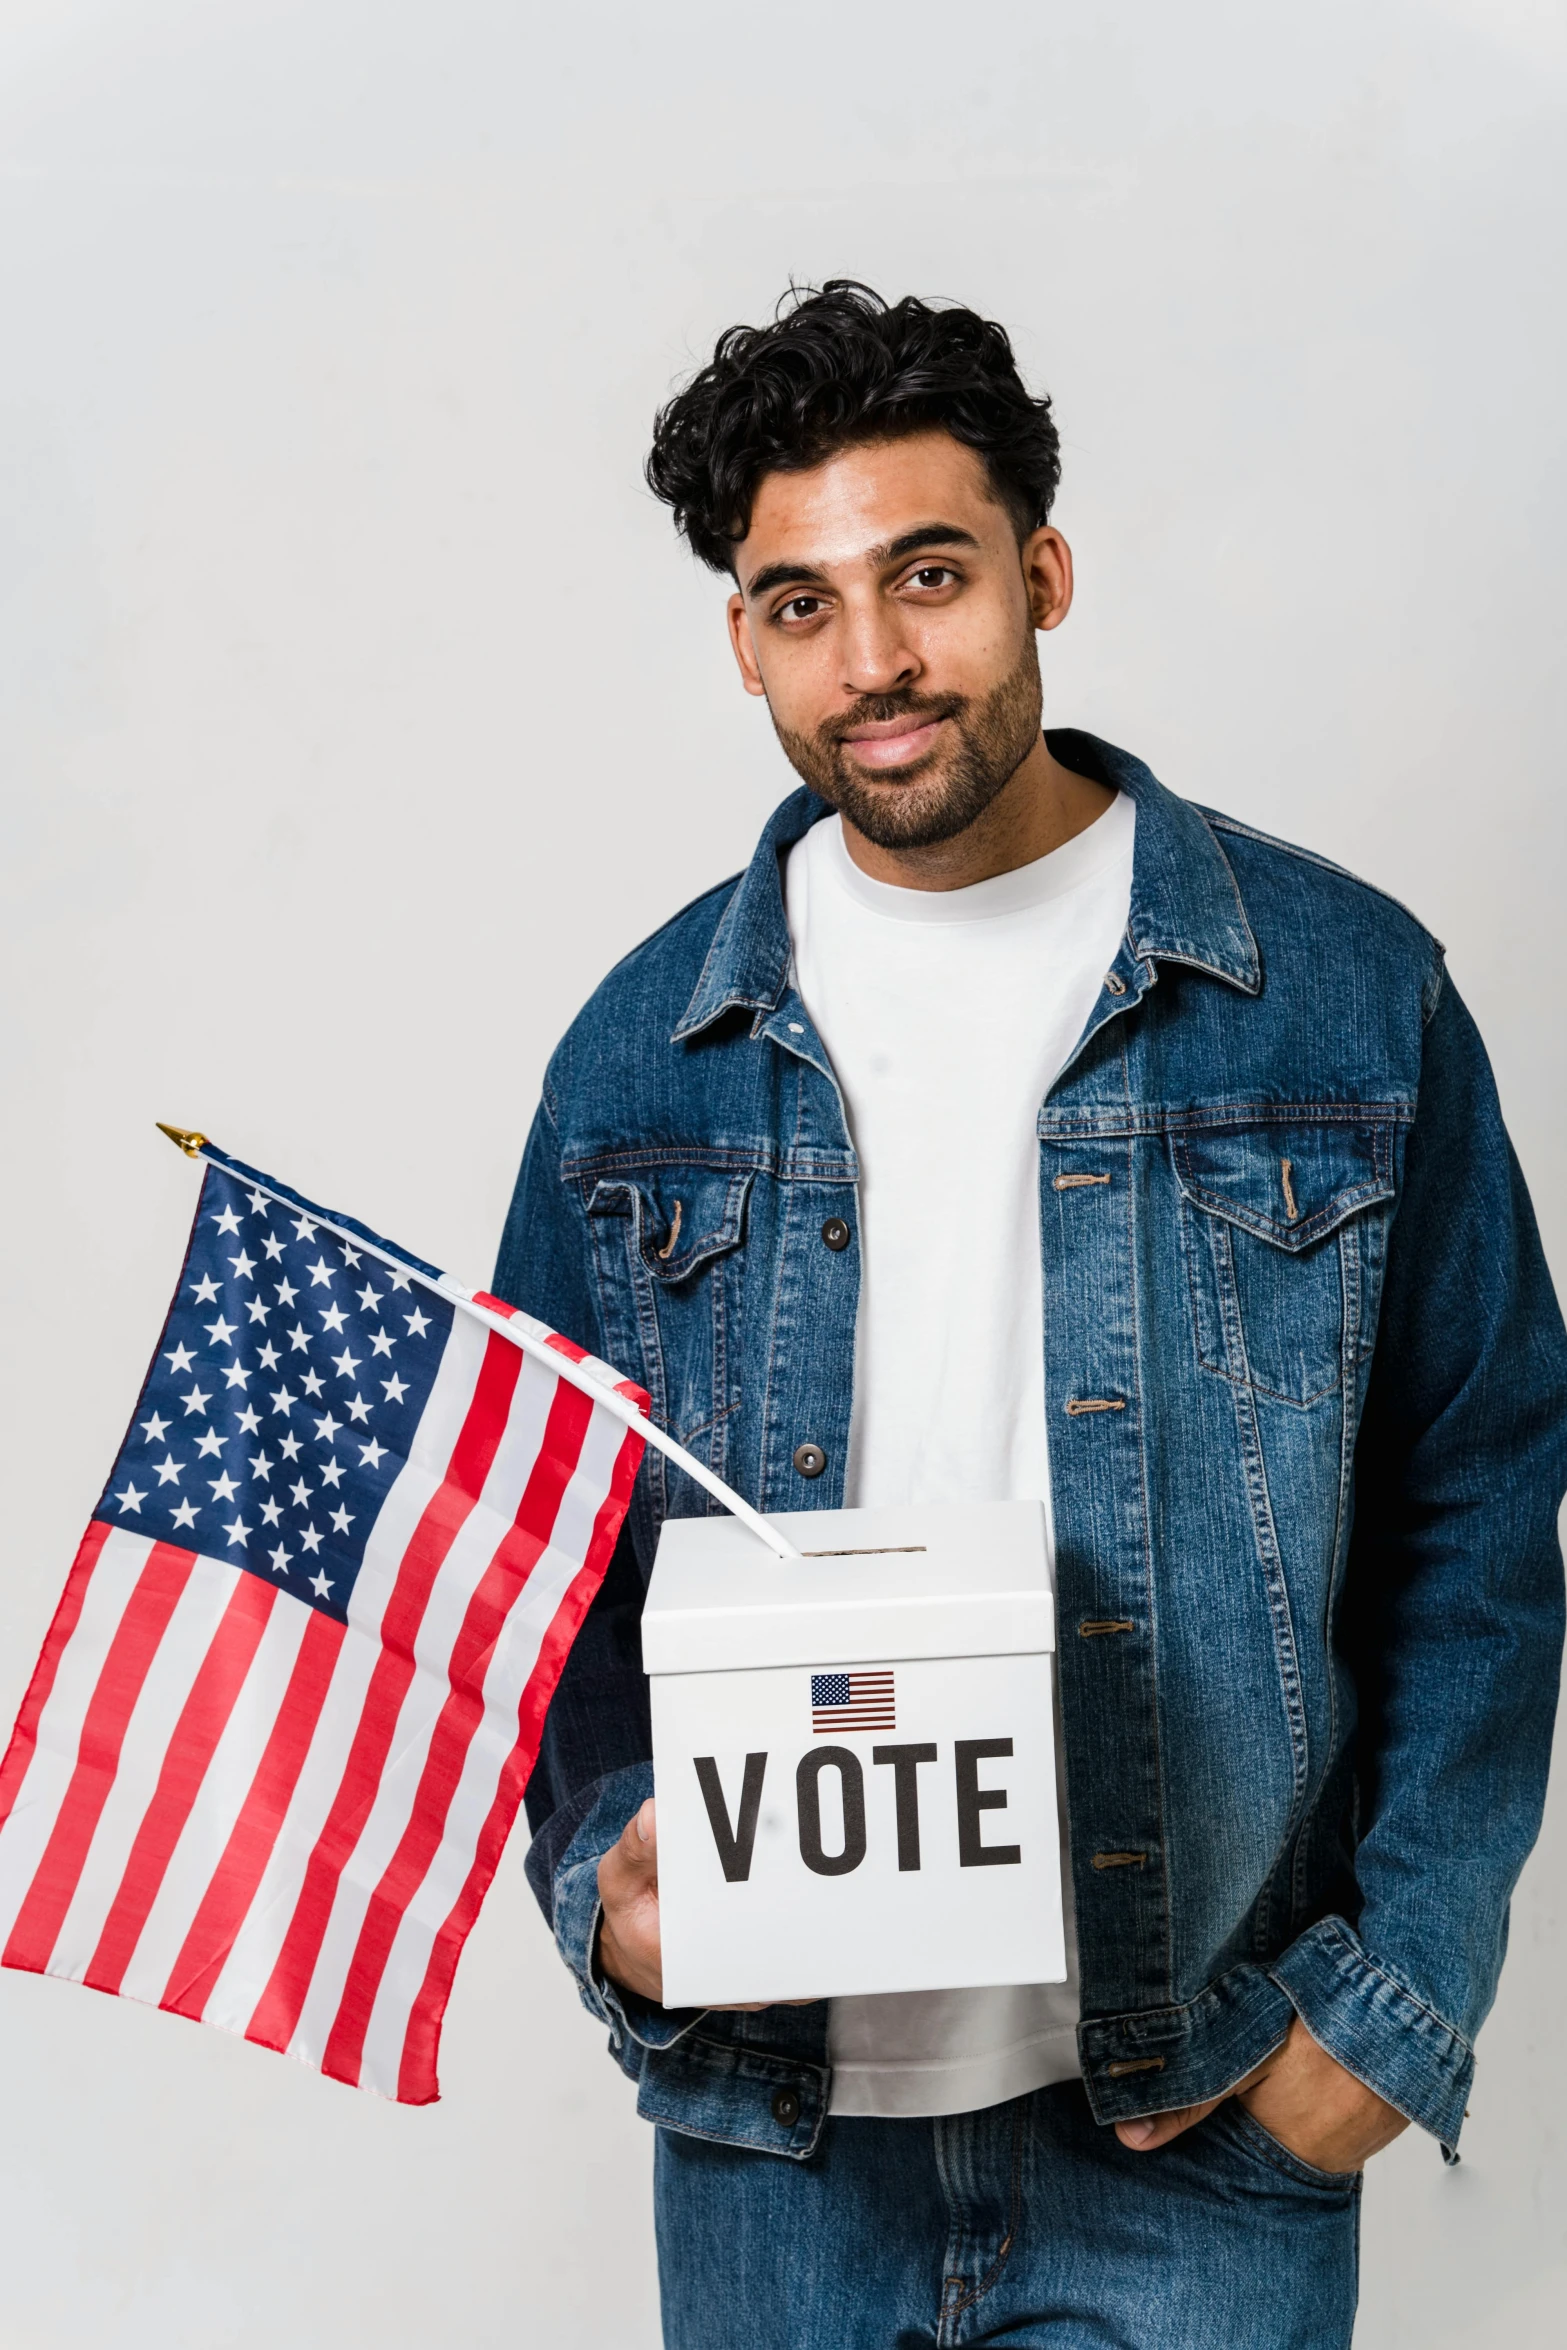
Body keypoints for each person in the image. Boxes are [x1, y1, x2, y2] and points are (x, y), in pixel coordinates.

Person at [494, 282, 1567, 2349]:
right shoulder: (643, 1056)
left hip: (1200, 2119)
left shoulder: (1341, 994)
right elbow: (543, 1547)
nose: (874, 659)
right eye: (799, 602)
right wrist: (611, 1869)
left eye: (929, 575)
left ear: (1042, 572)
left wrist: (1394, 1992)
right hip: (773, 2142)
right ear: (743, 639)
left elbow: (1487, 1507)